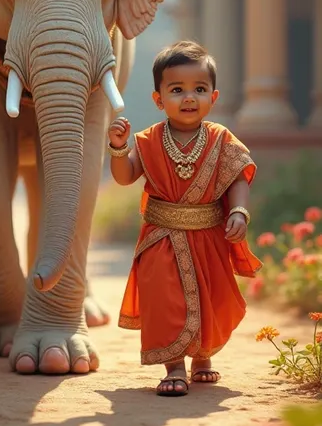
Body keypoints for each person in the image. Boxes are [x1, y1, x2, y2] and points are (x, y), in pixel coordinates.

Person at [108, 40, 262, 397]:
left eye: (199, 89)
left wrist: (239, 210)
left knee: (213, 300)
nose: (189, 97)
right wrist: (118, 148)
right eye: (177, 90)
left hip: (209, 236)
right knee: (166, 300)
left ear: (214, 96)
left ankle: (202, 358)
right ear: (158, 99)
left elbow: (238, 179)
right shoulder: (147, 140)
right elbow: (125, 175)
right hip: (161, 238)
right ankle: (174, 366)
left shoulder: (223, 139)